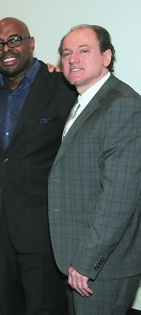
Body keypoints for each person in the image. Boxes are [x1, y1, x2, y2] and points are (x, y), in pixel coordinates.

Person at [0, 17, 77, 314]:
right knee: (7, 304)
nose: (6, 49)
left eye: (14, 40)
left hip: (42, 227)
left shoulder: (61, 86)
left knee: (44, 306)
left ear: (31, 43)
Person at [49, 24, 141, 314]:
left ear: (106, 57)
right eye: (66, 53)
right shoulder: (84, 103)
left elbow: (119, 198)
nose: (72, 59)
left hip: (103, 266)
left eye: (83, 51)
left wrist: (87, 262)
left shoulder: (123, 106)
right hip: (79, 258)